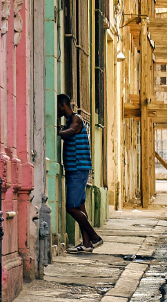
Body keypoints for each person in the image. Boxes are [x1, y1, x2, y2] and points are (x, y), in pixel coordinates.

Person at [57, 94, 103, 253]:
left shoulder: (76, 119)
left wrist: (58, 132)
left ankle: (95, 237)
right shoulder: (69, 121)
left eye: (58, 106)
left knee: (71, 207)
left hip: (78, 168)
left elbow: (72, 131)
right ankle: (87, 243)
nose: (57, 109)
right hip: (73, 168)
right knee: (80, 207)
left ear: (63, 104)